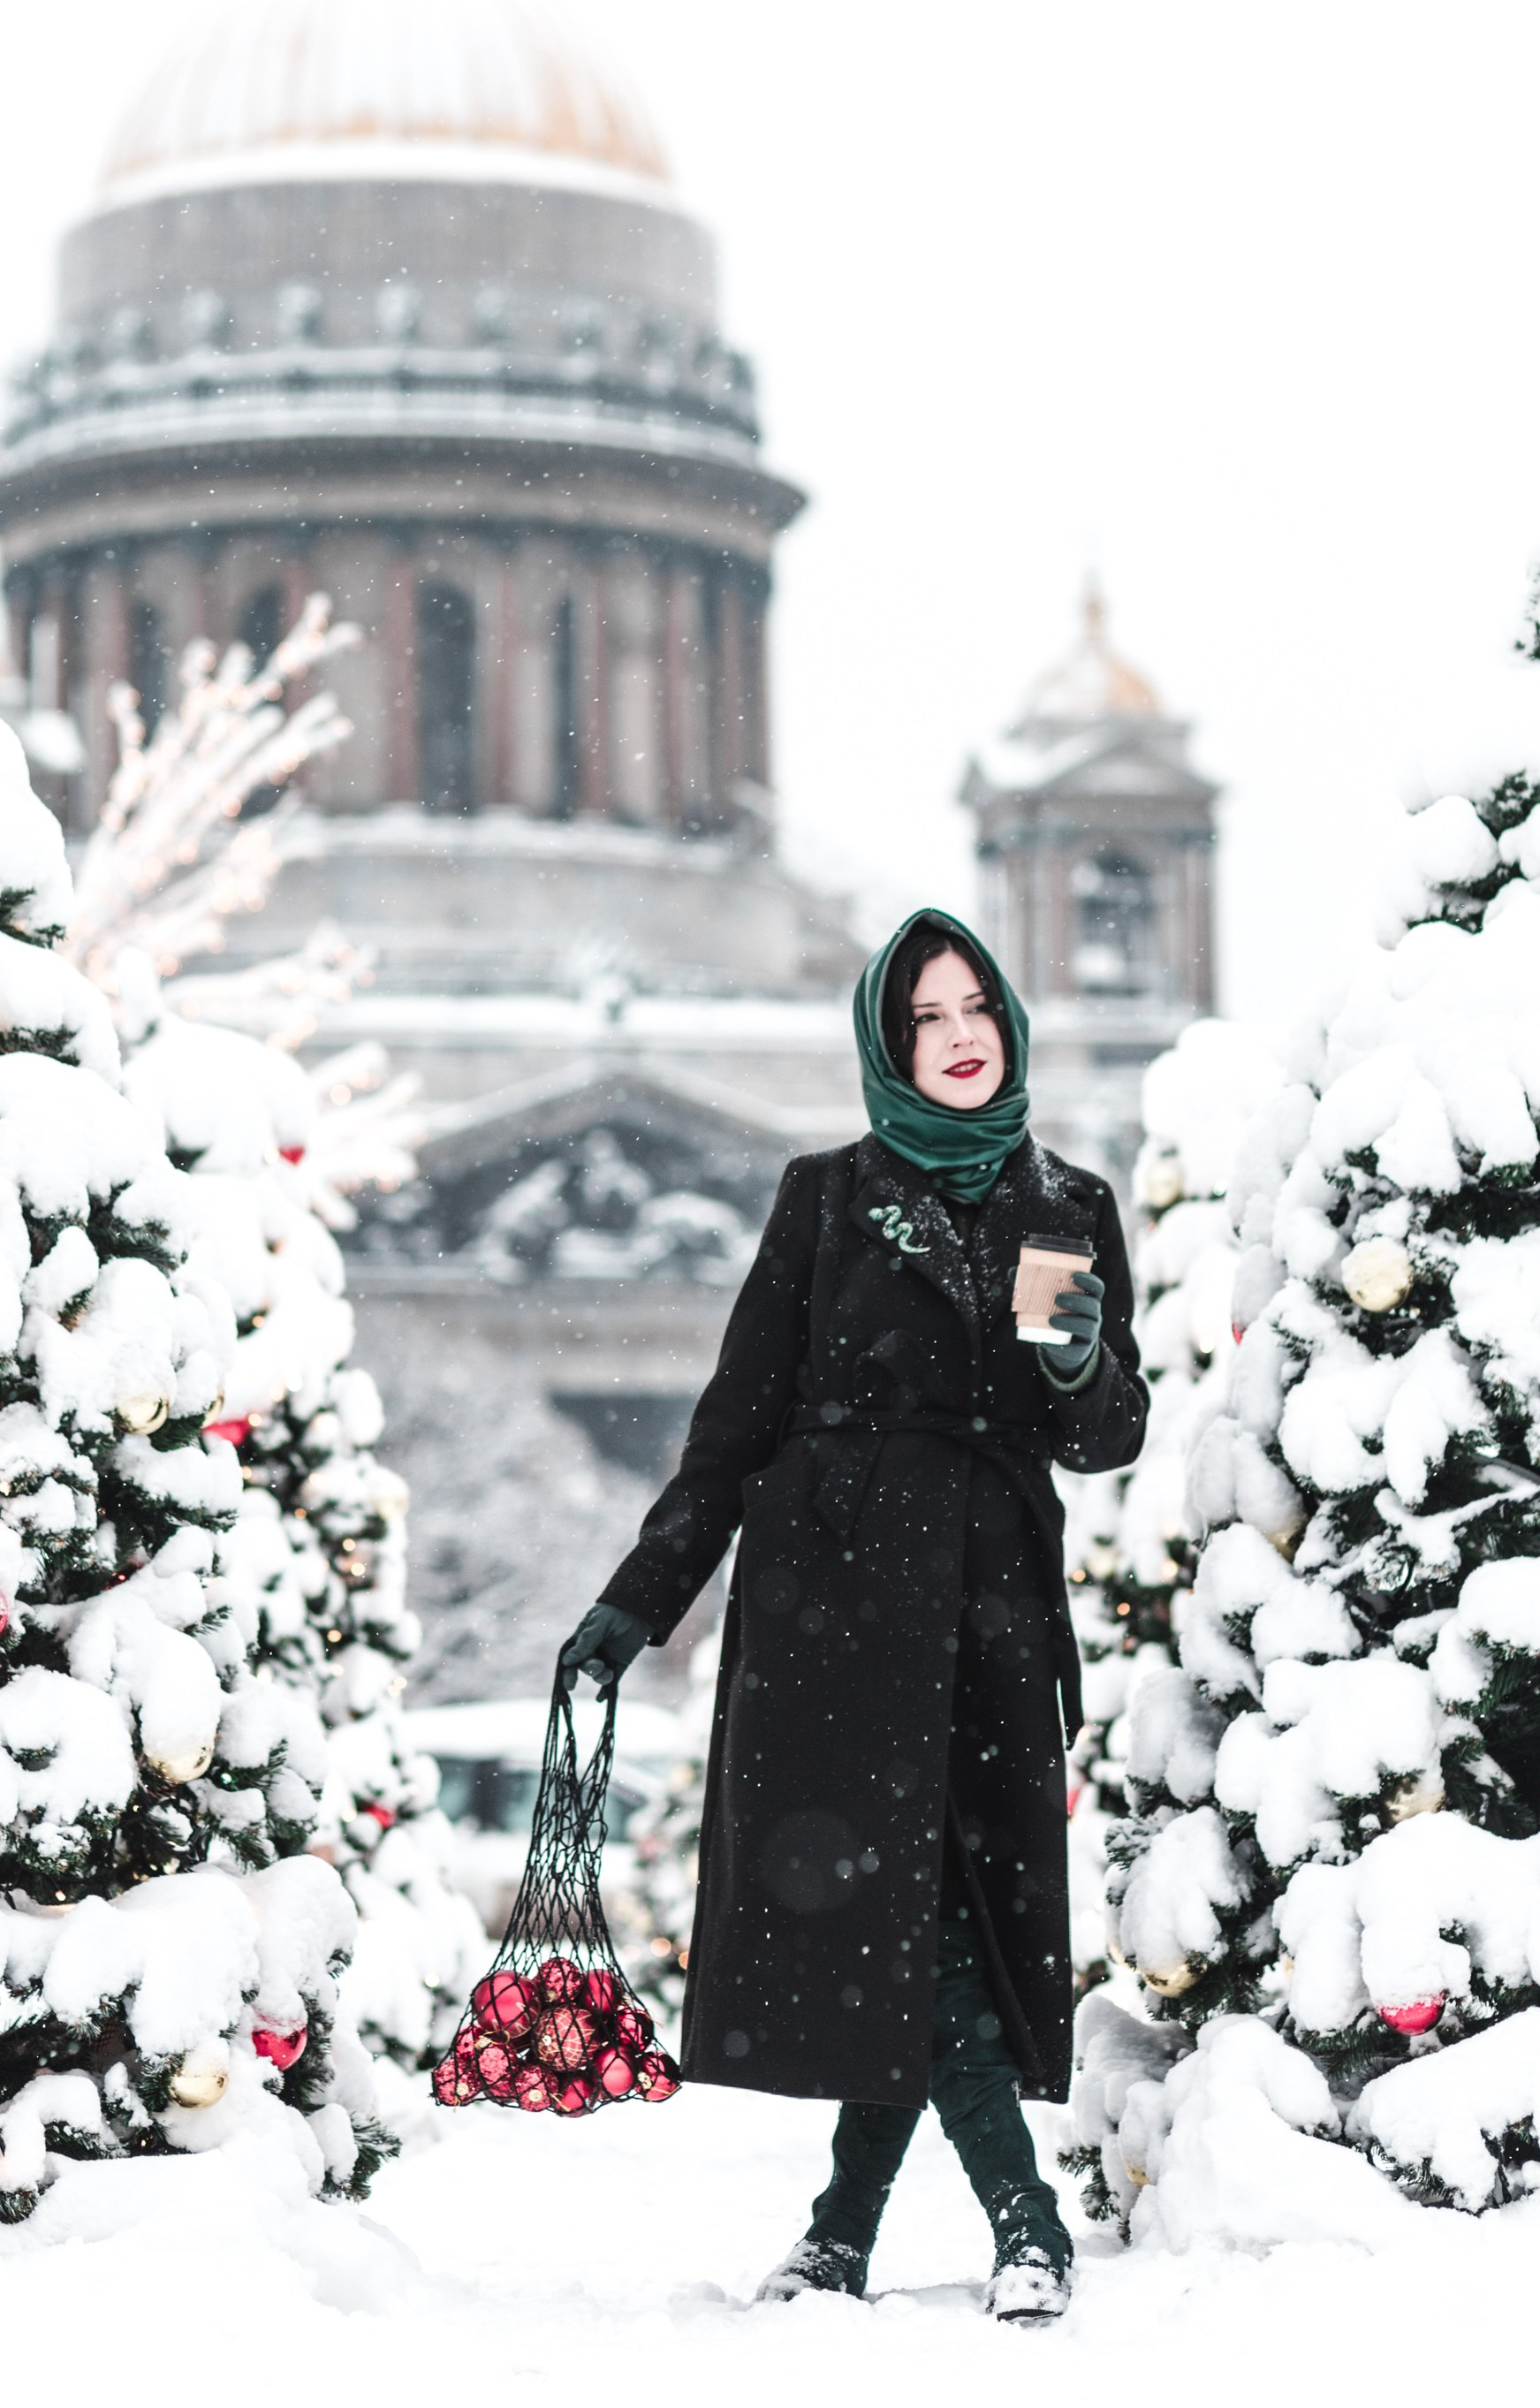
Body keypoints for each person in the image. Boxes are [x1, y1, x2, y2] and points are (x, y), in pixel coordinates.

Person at [563, 910, 1147, 2323]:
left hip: (995, 1602)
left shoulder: (1057, 1208)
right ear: (889, 1049)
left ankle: (840, 2230)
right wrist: (640, 1602)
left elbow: (1108, 1436)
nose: (957, 1039)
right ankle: (1023, 2219)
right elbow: (736, 1427)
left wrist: (1076, 1362)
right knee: (915, 1918)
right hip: (830, 1612)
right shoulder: (826, 1198)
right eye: (925, 1021)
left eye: (975, 1013)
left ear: (1008, 1025)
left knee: (944, 1917)